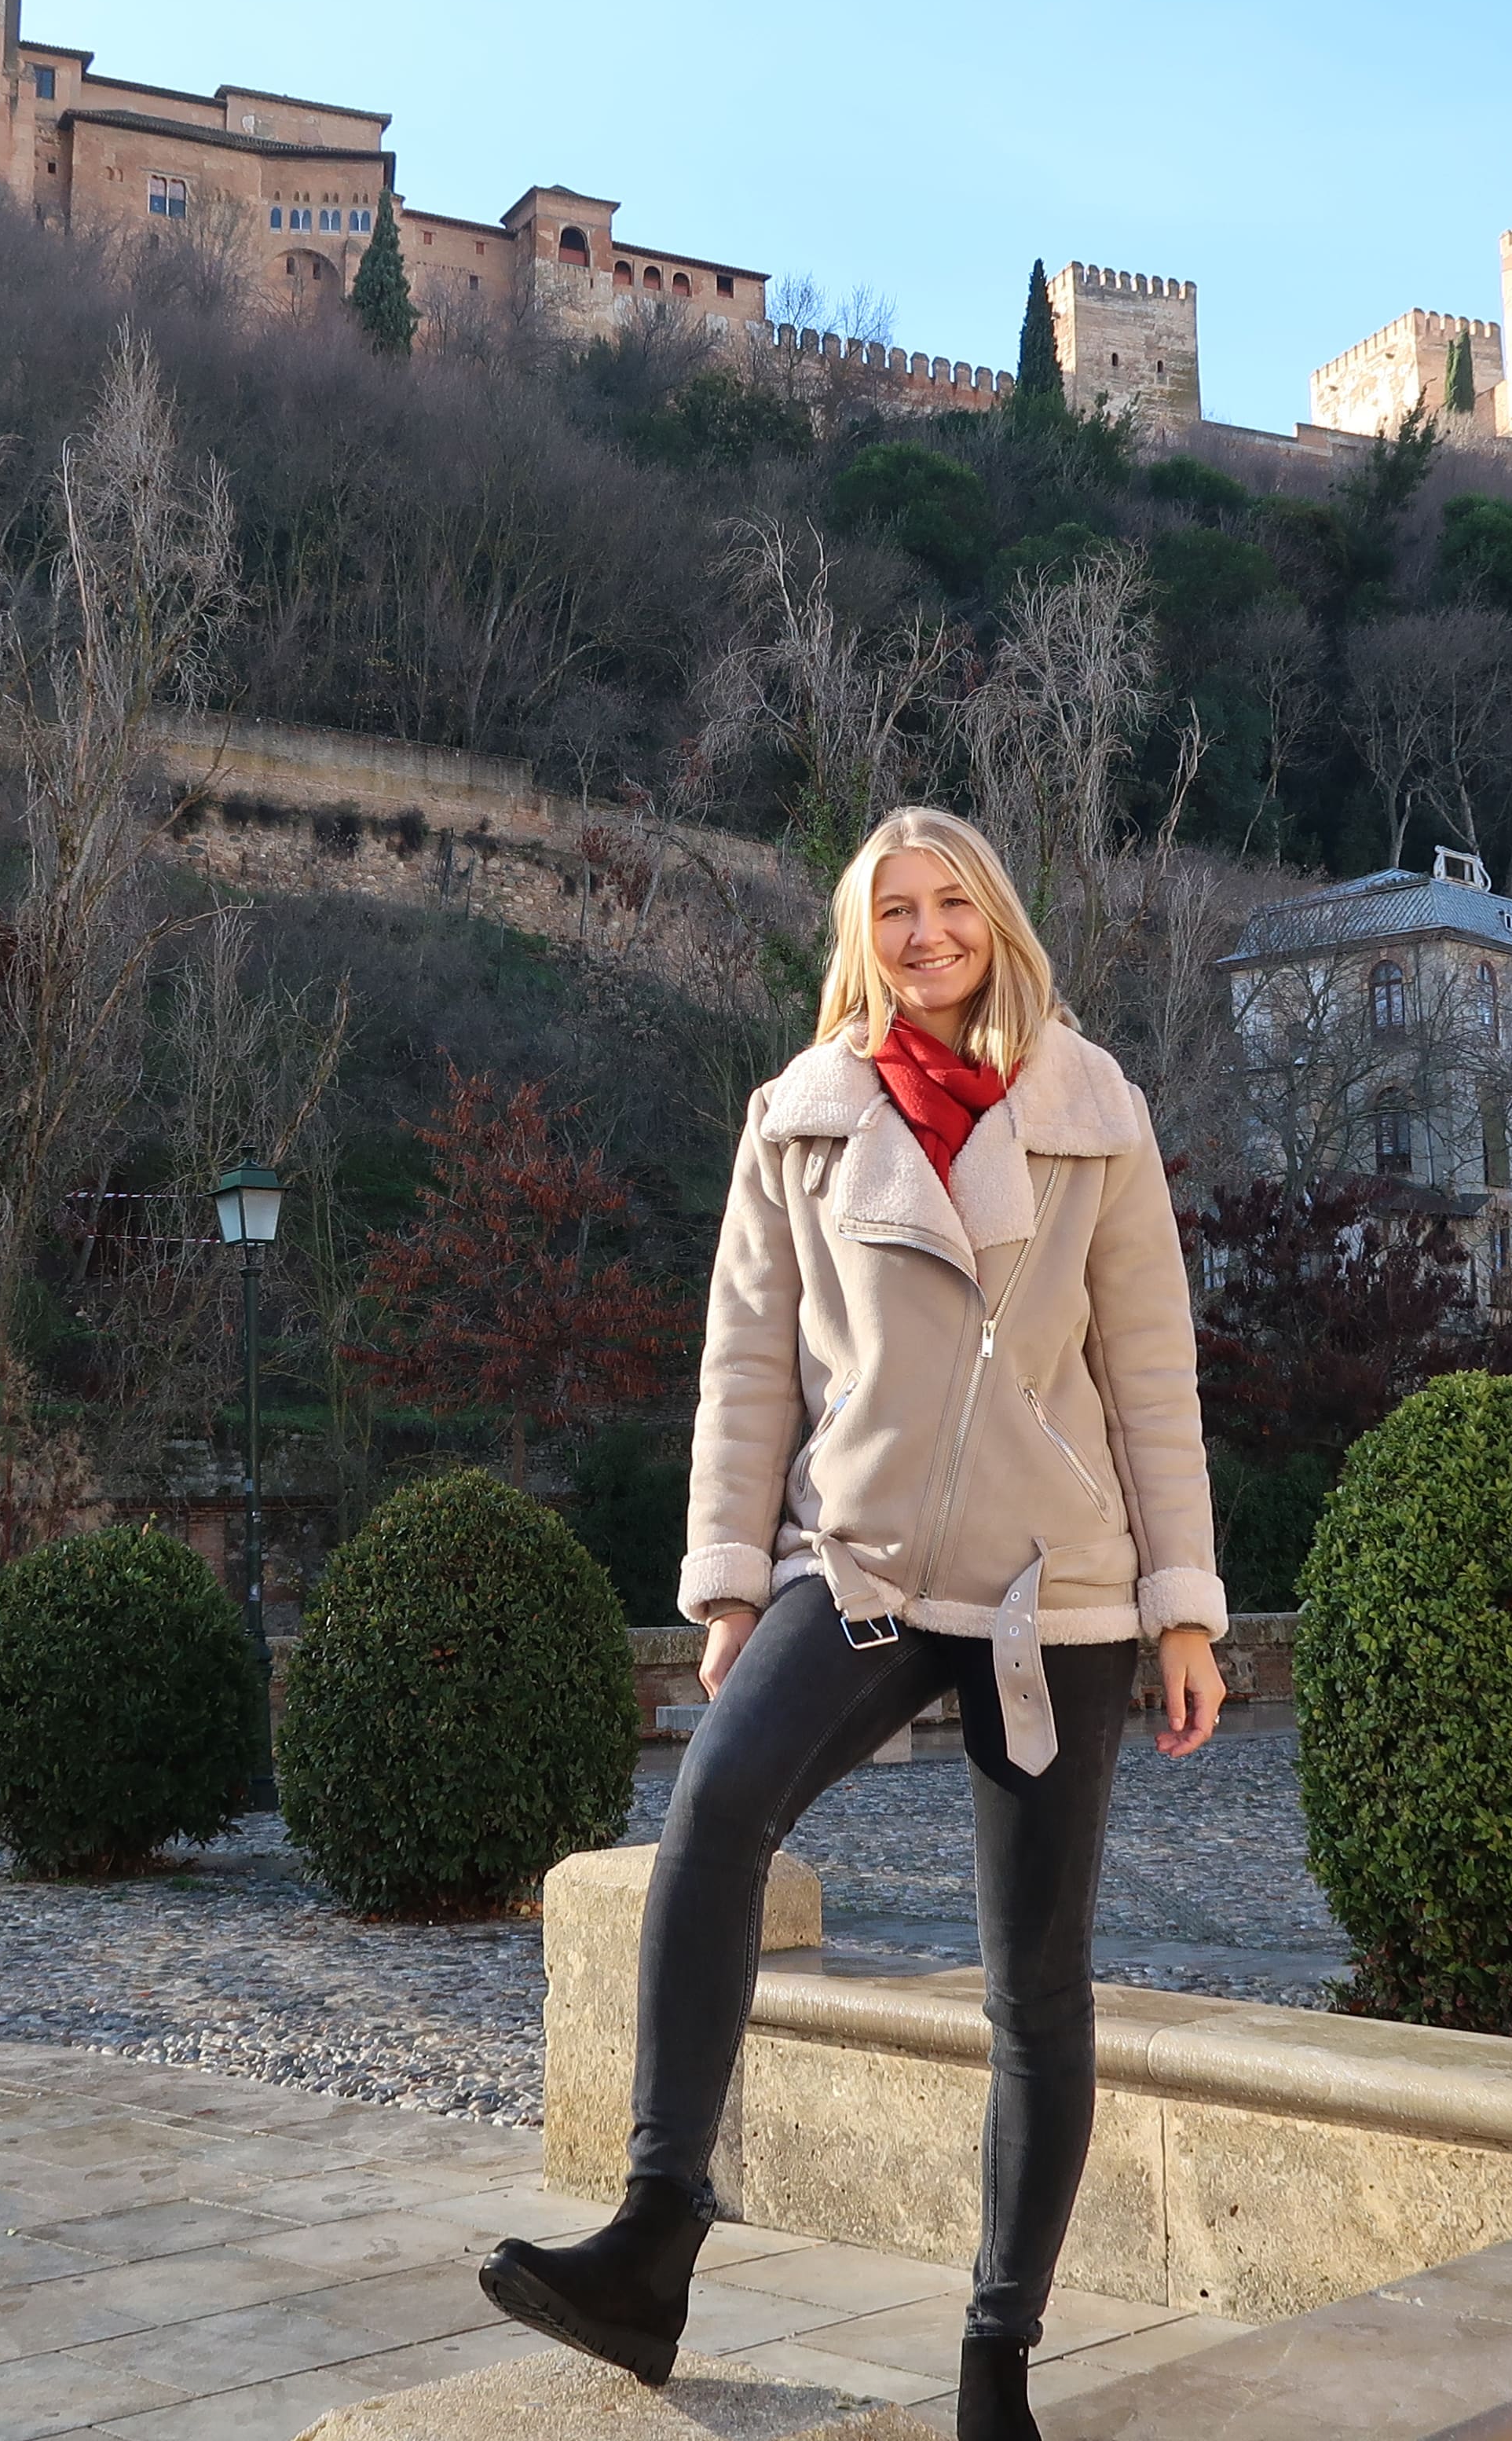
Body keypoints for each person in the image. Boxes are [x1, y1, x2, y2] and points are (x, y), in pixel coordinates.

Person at [479, 807, 1225, 2441]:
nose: (926, 932)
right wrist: (733, 1588)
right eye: (894, 909)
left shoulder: (1097, 1110)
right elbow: (745, 1367)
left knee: (1036, 1982)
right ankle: (655, 2233)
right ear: (858, 936)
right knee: (714, 1804)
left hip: (1061, 1592)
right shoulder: (798, 1120)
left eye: (952, 902)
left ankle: (994, 2362)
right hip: (863, 1568)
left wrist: (1183, 1606)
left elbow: (1150, 1369)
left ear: (1000, 922)